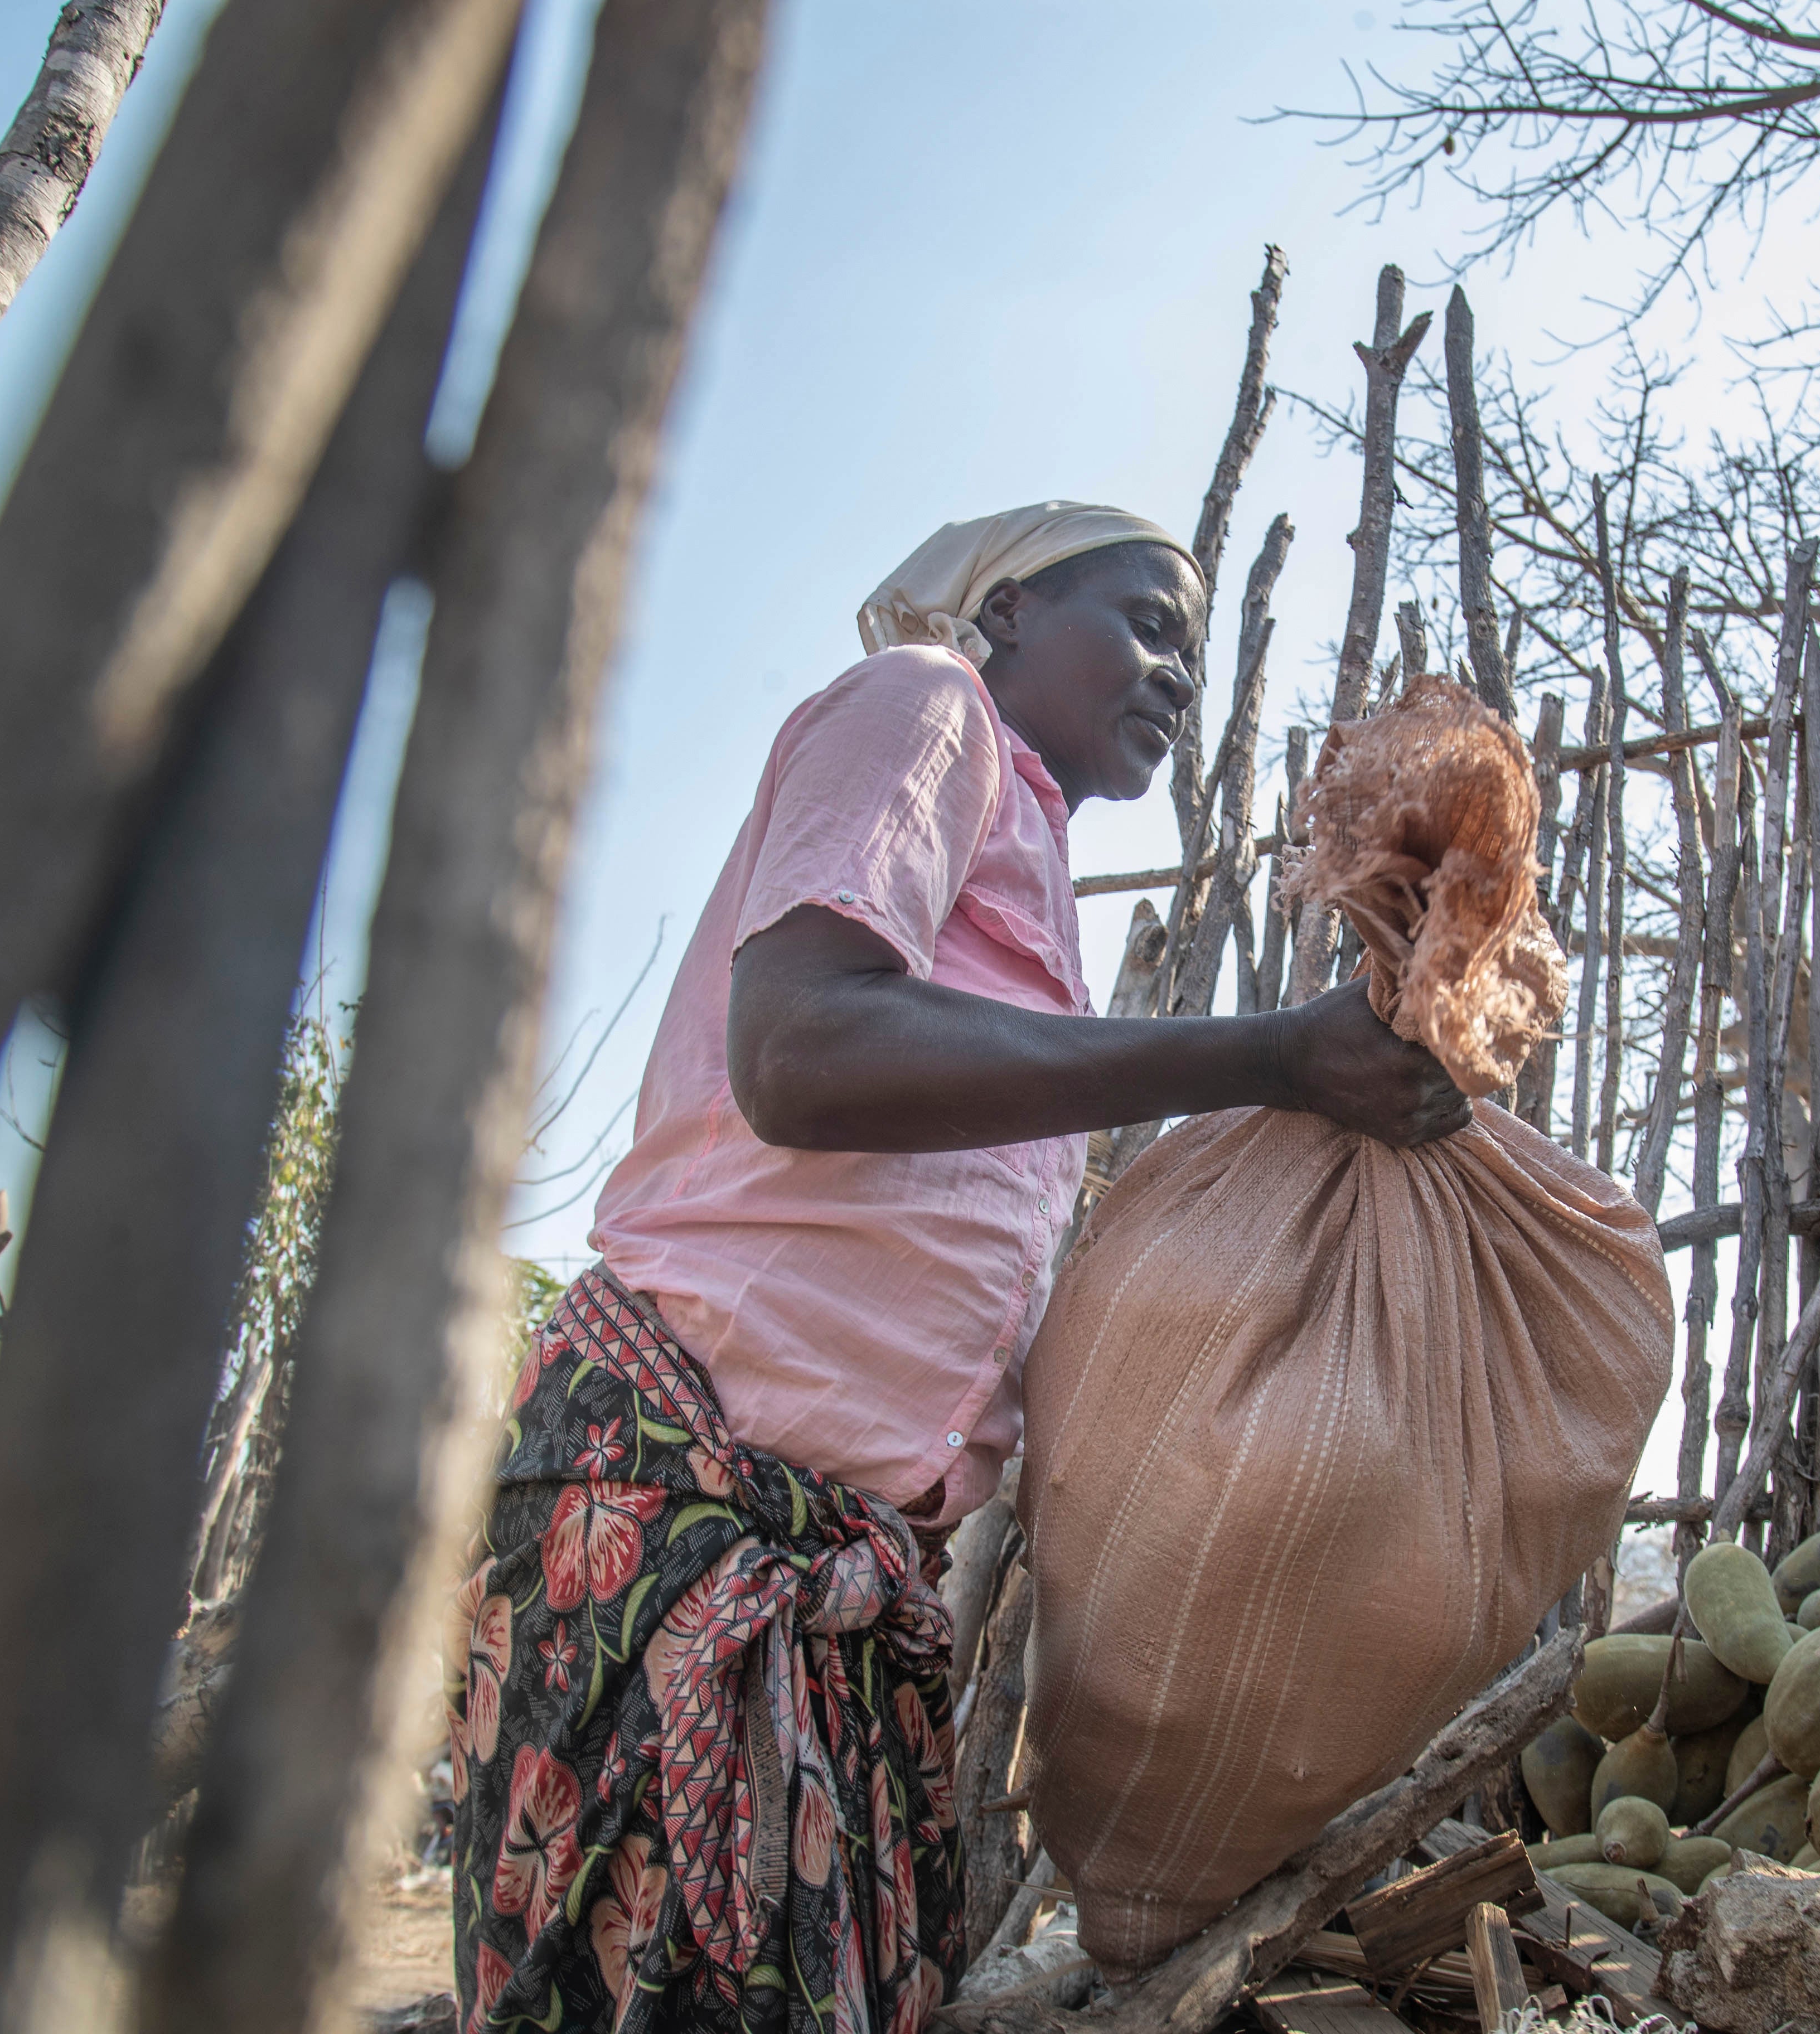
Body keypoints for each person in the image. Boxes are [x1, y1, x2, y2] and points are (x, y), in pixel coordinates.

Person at [448, 503, 1469, 2034]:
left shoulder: (1029, 878)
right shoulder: (927, 710)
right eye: (1143, 622)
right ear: (996, 617)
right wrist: (1267, 1057)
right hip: (678, 1496)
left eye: (1194, 646)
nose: (1177, 673)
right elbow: (801, 1050)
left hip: (839, 1567)